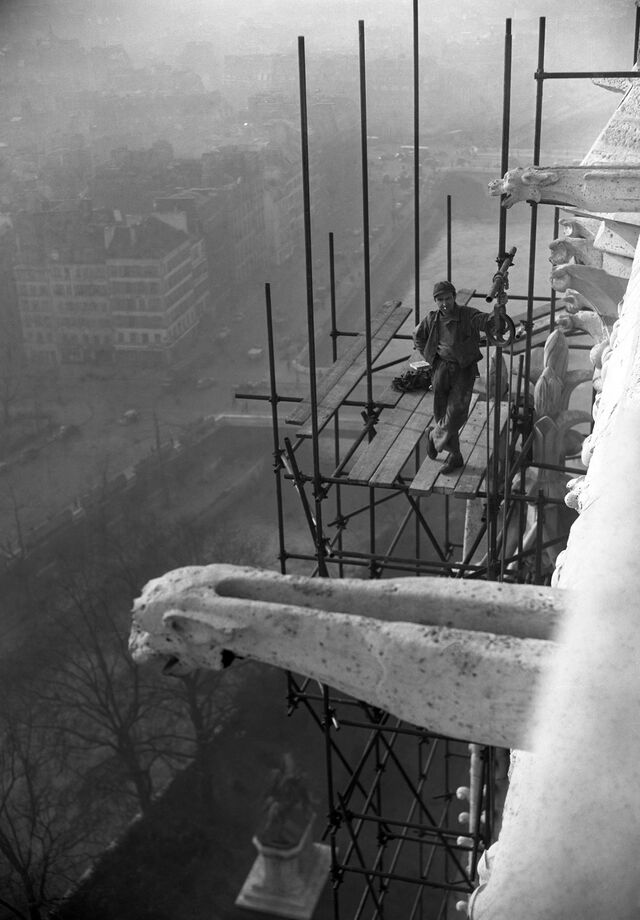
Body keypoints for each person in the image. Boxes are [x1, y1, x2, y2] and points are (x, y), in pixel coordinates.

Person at [413, 280, 495, 475]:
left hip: (463, 370)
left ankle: (434, 436)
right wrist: (429, 357)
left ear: (454, 297)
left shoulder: (467, 315)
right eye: (440, 300)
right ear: (435, 301)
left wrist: (498, 311)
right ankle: (455, 457)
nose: (444, 303)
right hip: (441, 368)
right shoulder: (432, 319)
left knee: (456, 411)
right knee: (442, 413)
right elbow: (418, 336)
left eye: (447, 298)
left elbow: (487, 321)